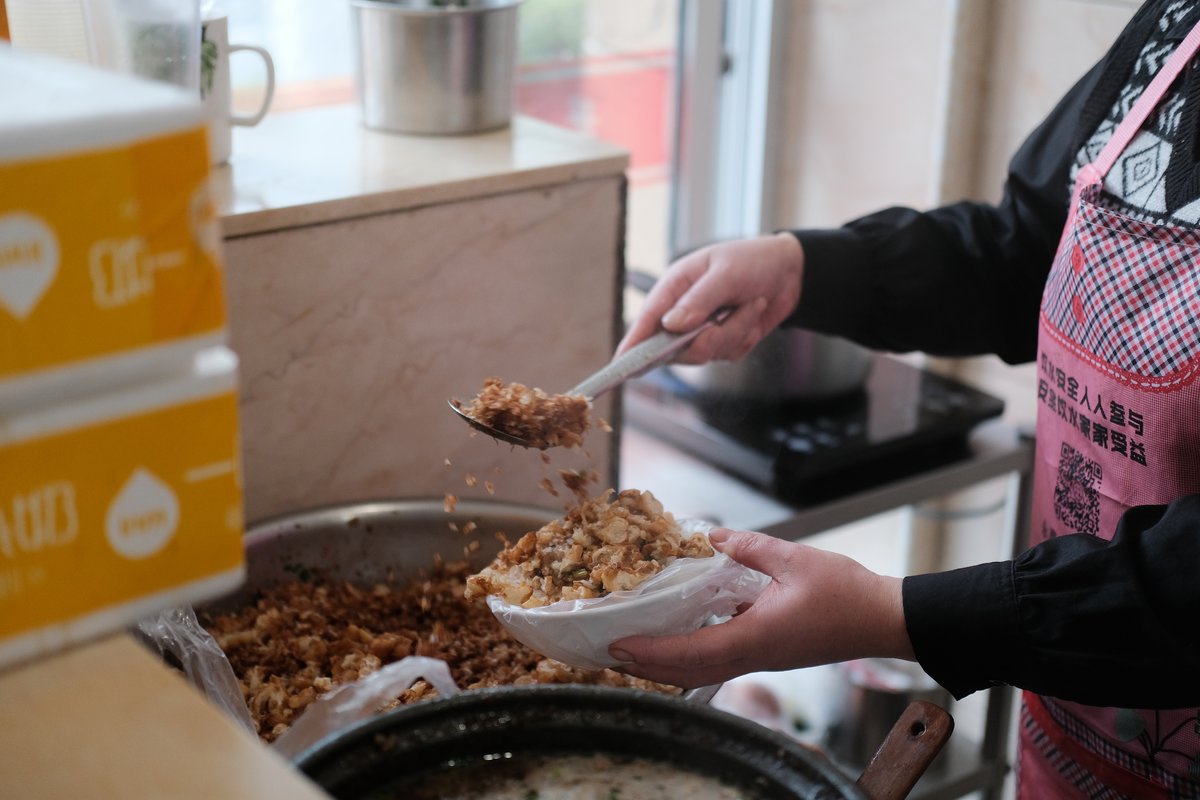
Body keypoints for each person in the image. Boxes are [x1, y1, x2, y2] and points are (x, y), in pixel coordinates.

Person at [610, 2, 1200, 797]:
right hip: (1074, 726)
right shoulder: (1178, 30)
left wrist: (894, 615)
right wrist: (804, 268)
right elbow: (1024, 247)